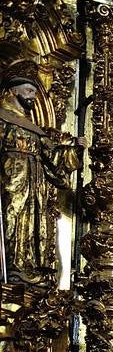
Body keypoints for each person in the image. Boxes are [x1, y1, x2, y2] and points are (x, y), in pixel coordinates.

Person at [0, 74, 82, 285]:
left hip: (34, 181)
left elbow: (52, 155)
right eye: (29, 91)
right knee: (11, 218)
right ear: (14, 91)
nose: (33, 97)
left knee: (32, 221)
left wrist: (73, 150)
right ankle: (8, 266)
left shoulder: (32, 127)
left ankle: (24, 266)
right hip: (9, 179)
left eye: (35, 93)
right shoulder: (3, 117)